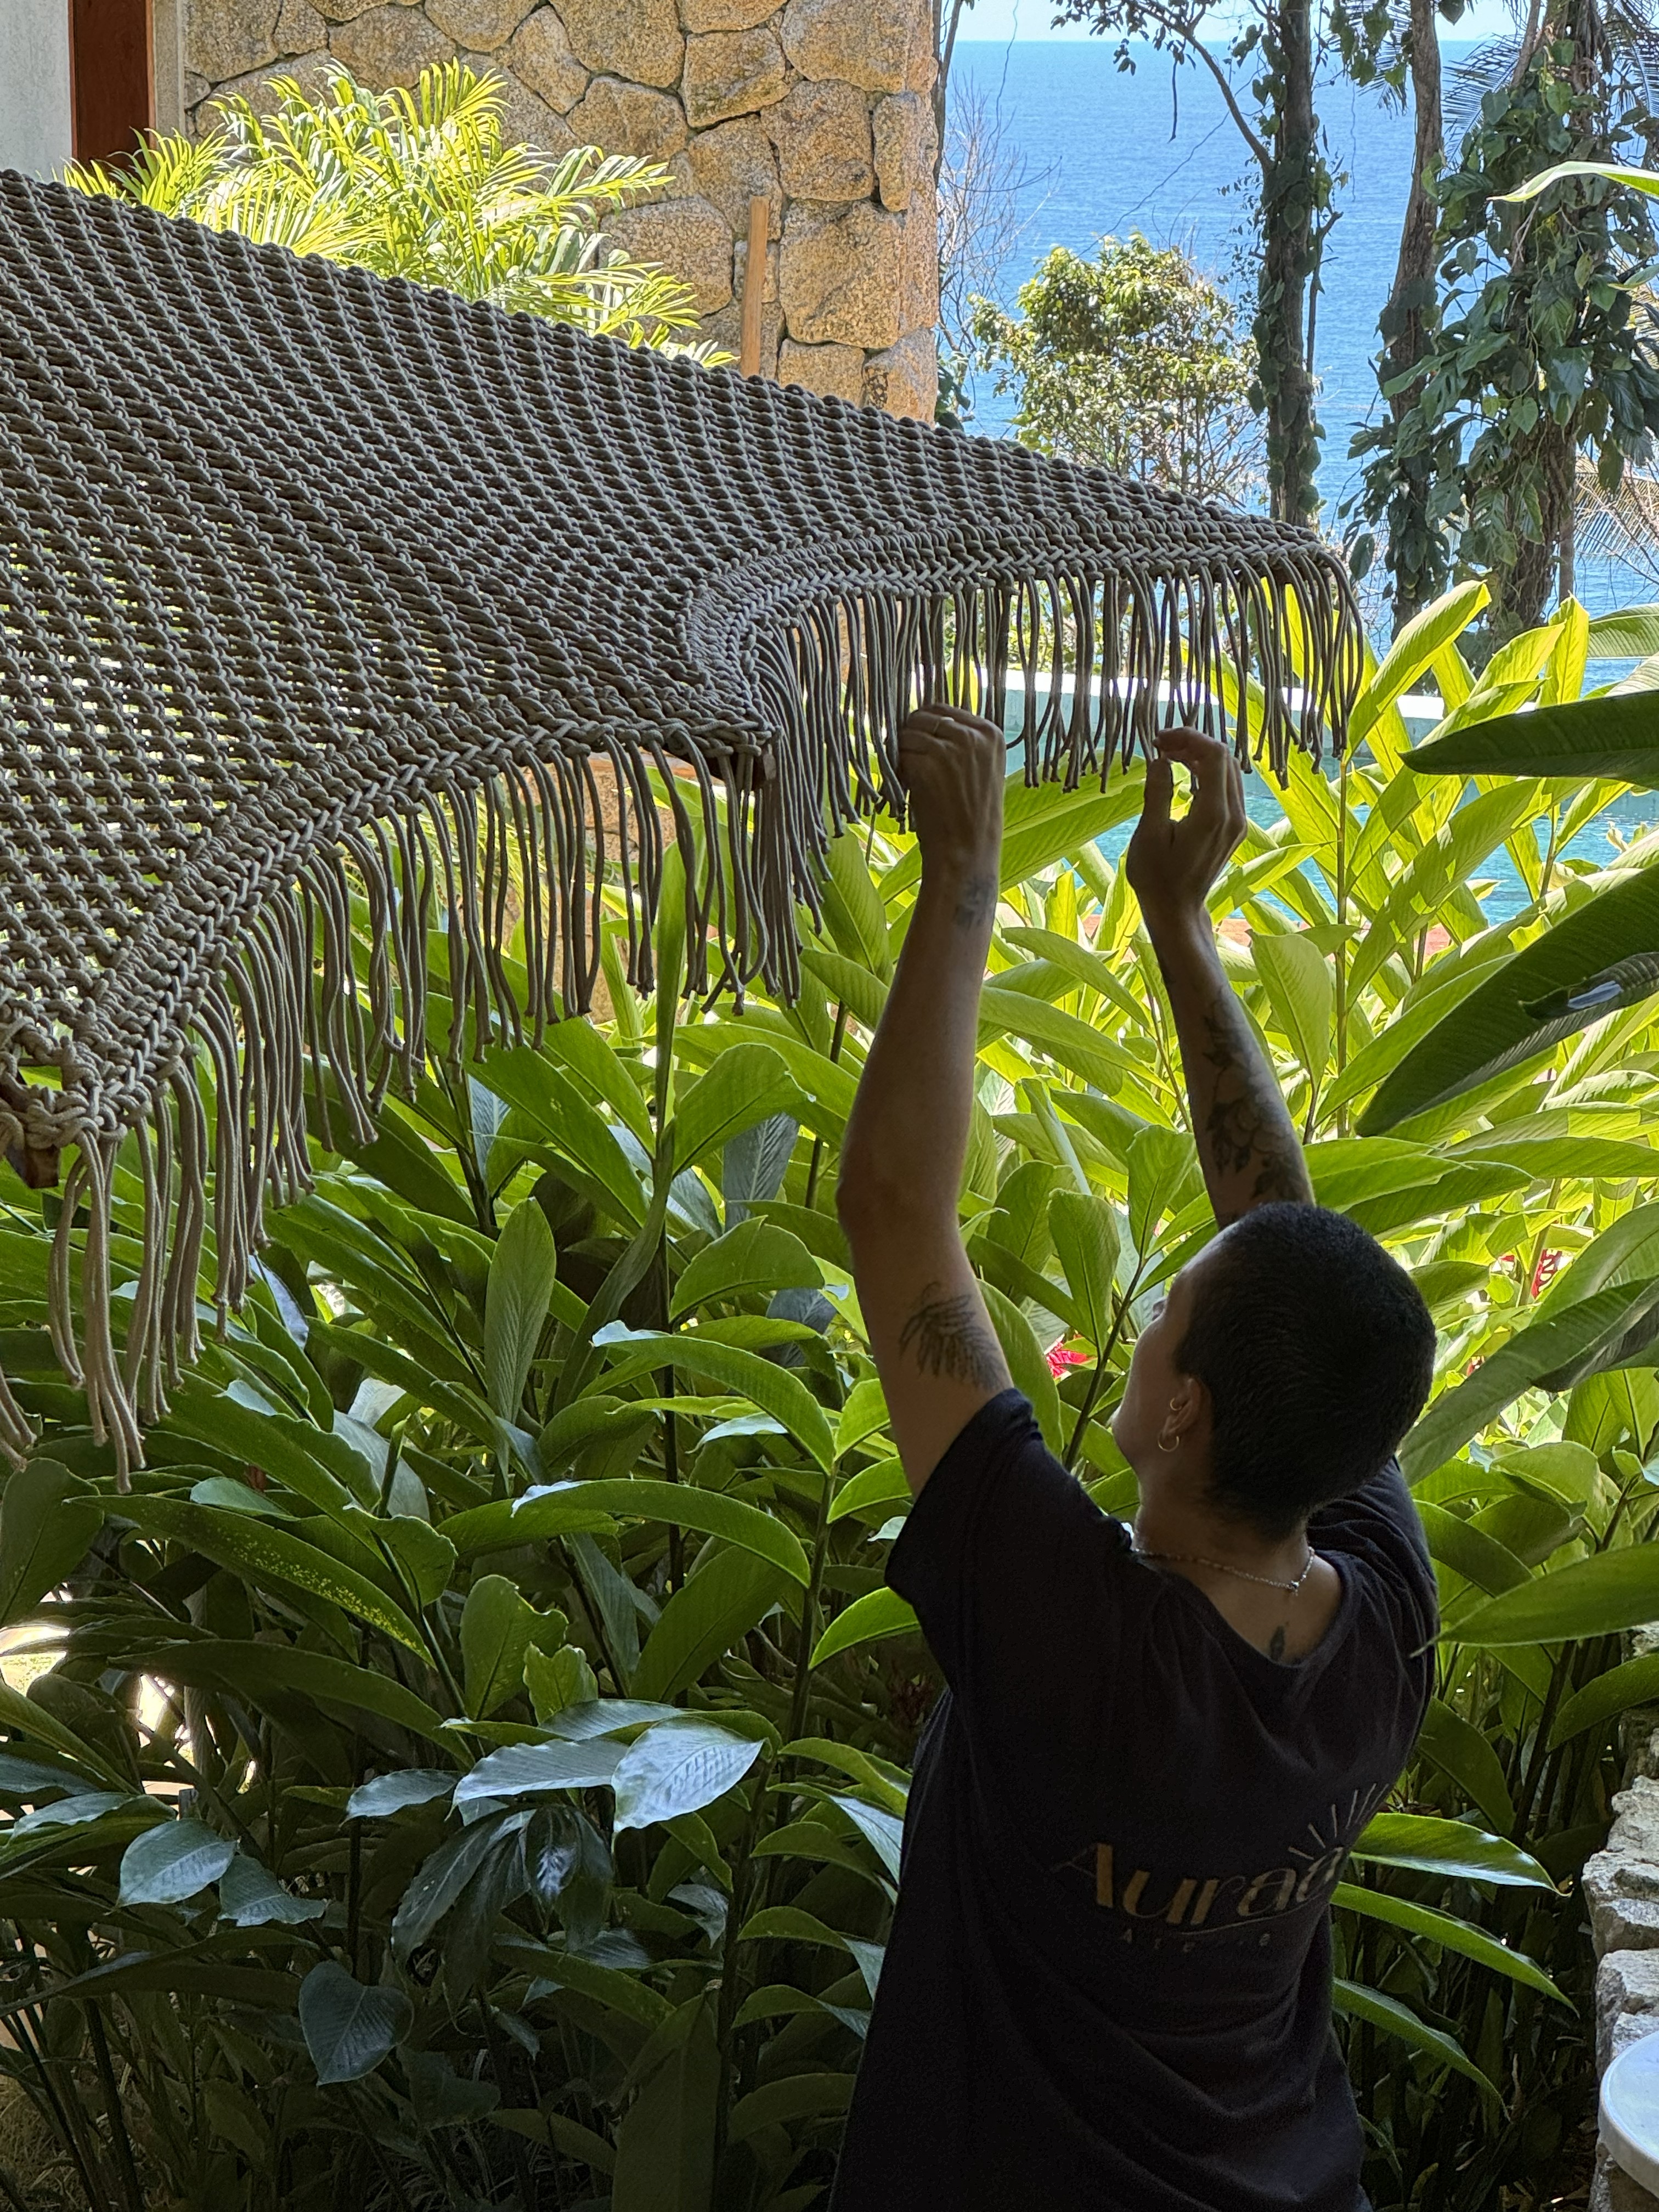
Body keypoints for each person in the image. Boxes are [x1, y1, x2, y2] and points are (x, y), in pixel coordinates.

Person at [830, 705, 1439, 2212]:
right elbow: (1284, 1240)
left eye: (1168, 1313)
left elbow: (896, 1207)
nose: (1153, 1314)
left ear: (1185, 1416)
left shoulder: (1077, 1642)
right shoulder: (1378, 1615)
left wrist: (965, 871)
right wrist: (1178, 916)